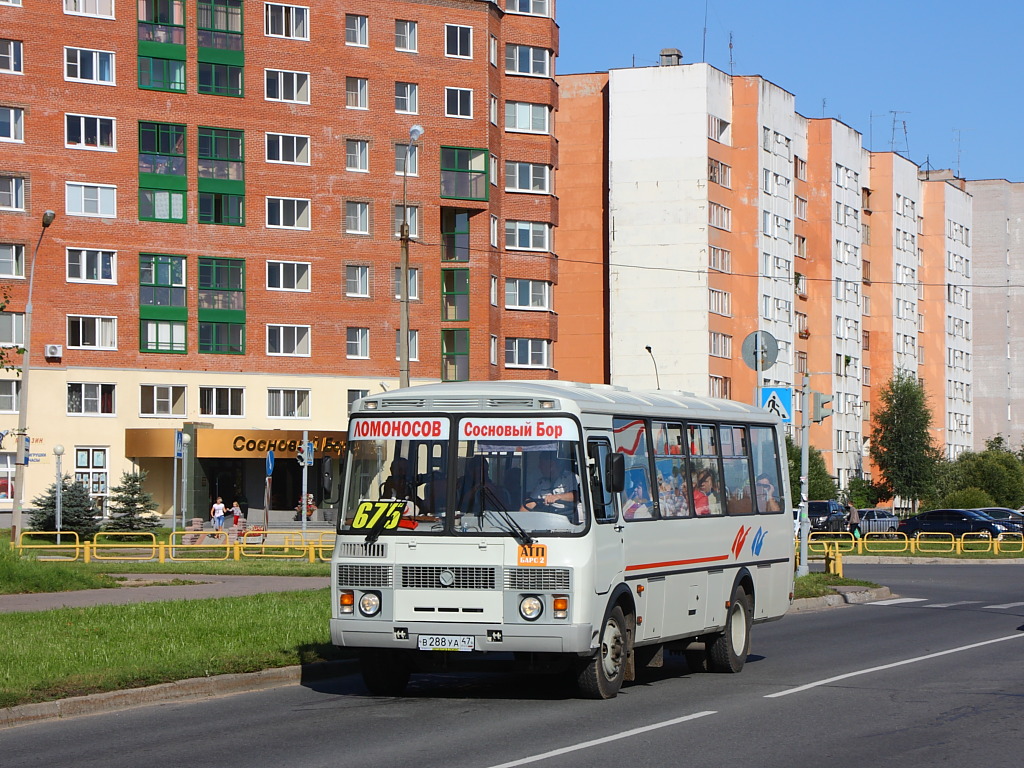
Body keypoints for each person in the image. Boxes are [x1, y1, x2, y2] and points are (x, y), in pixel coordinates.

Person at [521, 453, 578, 518]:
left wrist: (557, 497)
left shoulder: (570, 477)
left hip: (570, 520)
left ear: (551, 465)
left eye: (542, 464)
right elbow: (531, 502)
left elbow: (576, 495)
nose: (539, 467)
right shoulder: (542, 482)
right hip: (549, 520)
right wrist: (520, 518)